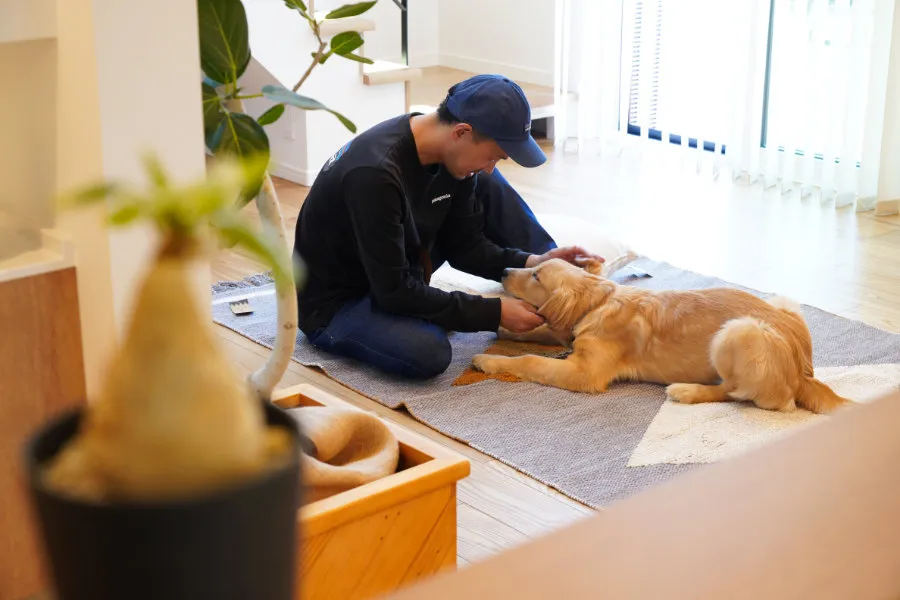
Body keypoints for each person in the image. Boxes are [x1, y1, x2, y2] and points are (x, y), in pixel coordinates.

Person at [292, 74, 603, 379]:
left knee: (485, 180)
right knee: (428, 351)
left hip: (400, 264)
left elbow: (466, 248)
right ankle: (424, 316)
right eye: (494, 156)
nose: (491, 167)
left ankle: (554, 280)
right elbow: (394, 292)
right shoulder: (374, 174)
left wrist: (535, 262)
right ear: (462, 131)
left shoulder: (448, 154)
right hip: (339, 303)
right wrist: (493, 313)